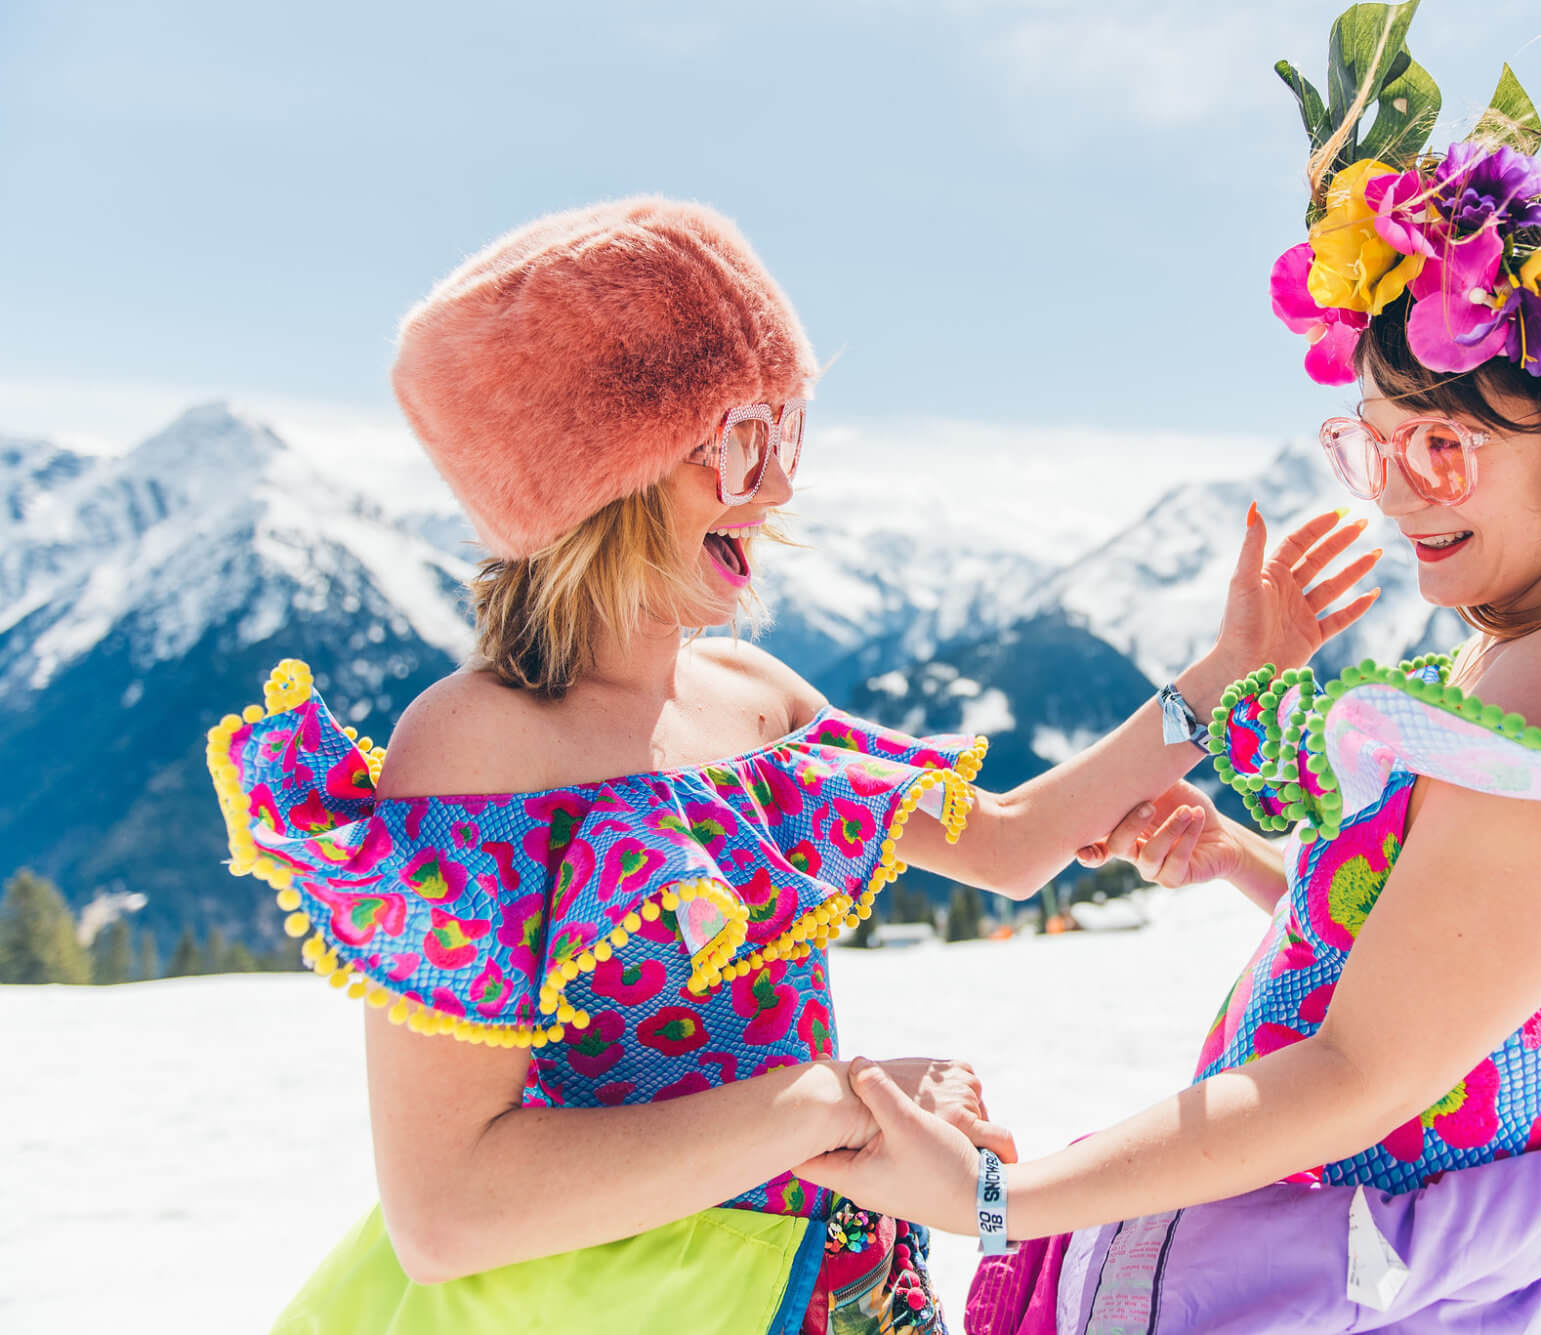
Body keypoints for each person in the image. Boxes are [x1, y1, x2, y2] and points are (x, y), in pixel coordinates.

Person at [791, 10, 1541, 1332]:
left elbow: (1365, 1070)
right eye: (1374, 440)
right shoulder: (1540, 653)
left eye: (1445, 445)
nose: (1398, 490)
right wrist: (1248, 863)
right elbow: (1458, 971)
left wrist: (997, 1197)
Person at [204, 197, 1380, 1333]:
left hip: (814, 1281)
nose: (775, 488)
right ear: (594, 477)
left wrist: (1222, 678)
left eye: (784, 434)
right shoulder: (475, 748)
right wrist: (832, 1102)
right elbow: (447, 1212)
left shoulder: (752, 699)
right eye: (734, 445)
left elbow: (1013, 843)